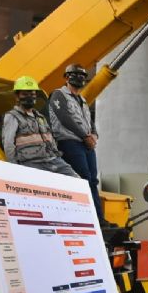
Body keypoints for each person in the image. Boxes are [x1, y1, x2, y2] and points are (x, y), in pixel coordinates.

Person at [49, 64, 104, 222]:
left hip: (86, 144)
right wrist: (85, 136)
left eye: (82, 76)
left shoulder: (83, 100)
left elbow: (89, 121)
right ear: (66, 77)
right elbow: (65, 118)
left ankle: (98, 218)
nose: (79, 79)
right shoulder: (59, 95)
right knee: (82, 178)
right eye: (75, 75)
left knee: (93, 180)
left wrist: (94, 135)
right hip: (69, 142)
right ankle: (85, 218)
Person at [2, 76, 78, 177]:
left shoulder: (40, 117)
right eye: (25, 94)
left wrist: (56, 156)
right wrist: (16, 169)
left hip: (53, 160)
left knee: (77, 181)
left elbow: (50, 140)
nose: (29, 97)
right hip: (32, 163)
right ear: (17, 96)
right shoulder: (12, 117)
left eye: (32, 94)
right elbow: (8, 145)